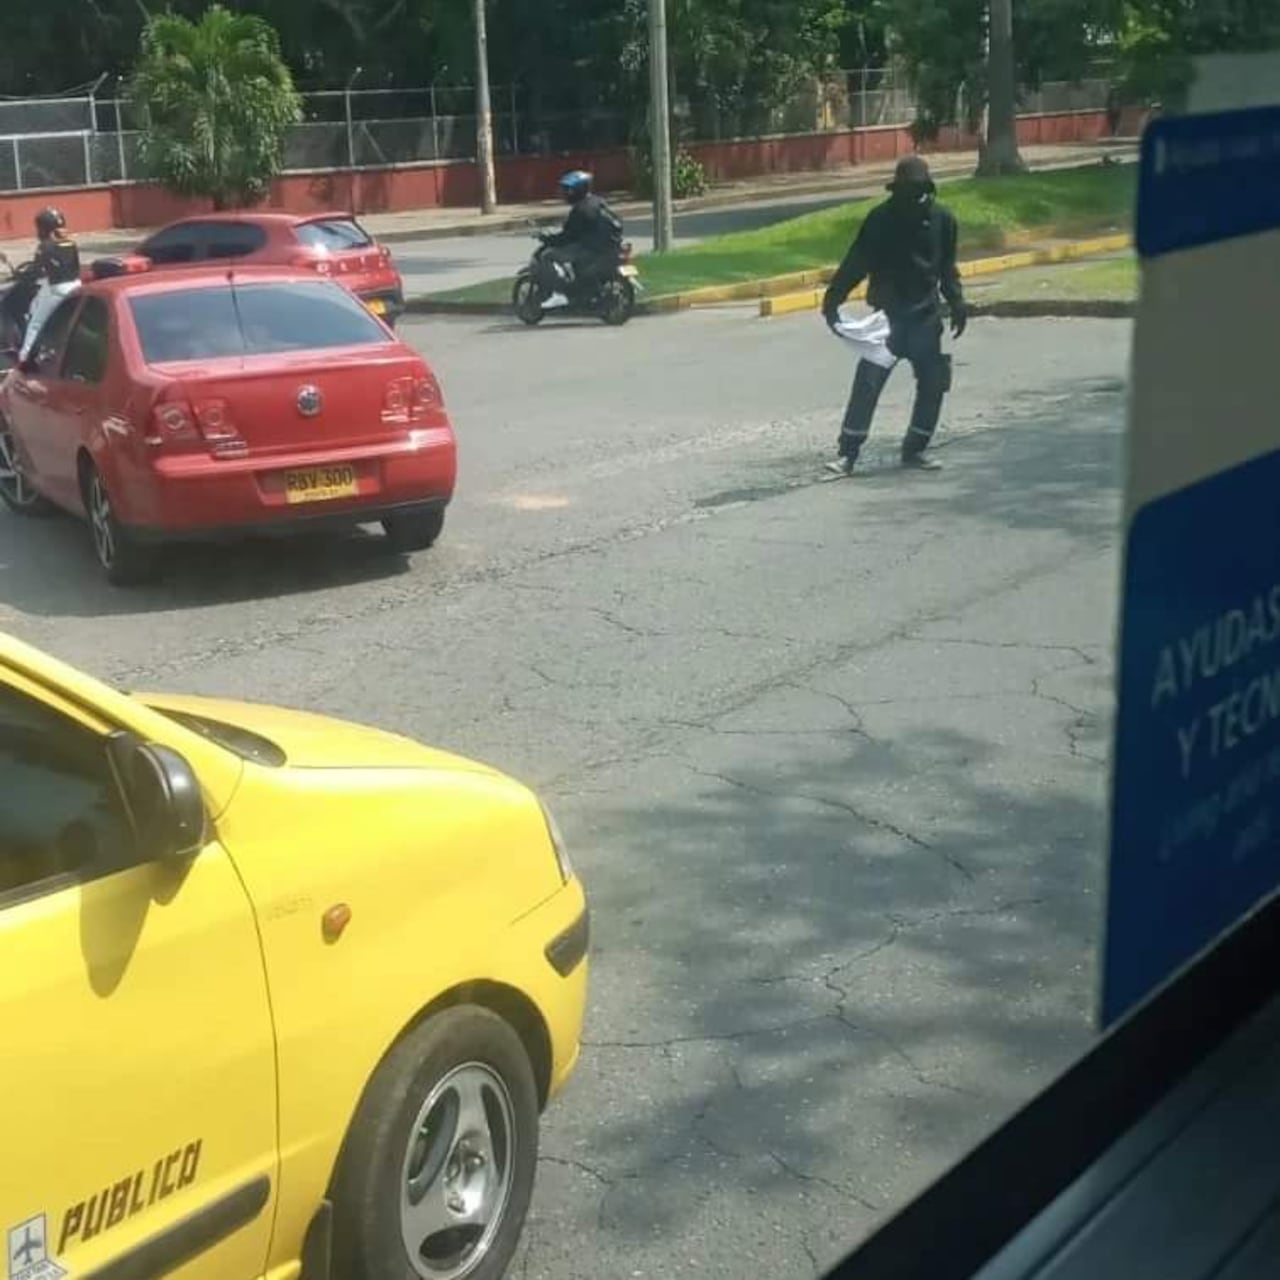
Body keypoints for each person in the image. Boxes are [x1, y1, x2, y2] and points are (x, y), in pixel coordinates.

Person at [821, 155, 967, 474]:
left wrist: (957, 302)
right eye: (904, 193)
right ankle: (848, 453)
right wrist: (833, 299)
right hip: (887, 318)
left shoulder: (943, 220)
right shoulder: (880, 219)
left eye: (916, 193)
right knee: (868, 384)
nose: (910, 200)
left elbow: (947, 269)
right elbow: (856, 261)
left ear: (927, 191)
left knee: (933, 383)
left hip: (926, 317)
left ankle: (915, 449)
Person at [539, 170, 623, 297]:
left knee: (547, 256)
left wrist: (549, 240)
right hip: (607, 247)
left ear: (577, 190)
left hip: (589, 249)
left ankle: (558, 293)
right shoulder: (598, 201)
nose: (566, 193)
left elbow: (567, 237)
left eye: (568, 190)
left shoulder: (580, 209)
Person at [16, 207, 82, 361]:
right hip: (76, 285)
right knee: (39, 299)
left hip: (58, 289)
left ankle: (24, 359)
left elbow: (35, 271)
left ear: (43, 228)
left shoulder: (45, 246)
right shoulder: (71, 243)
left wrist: (21, 275)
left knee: (35, 324)